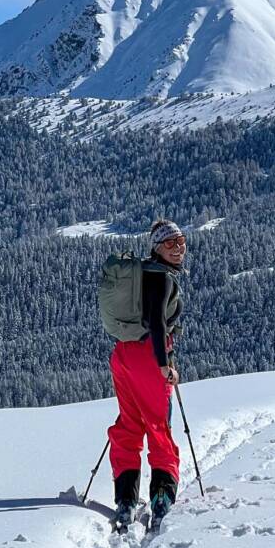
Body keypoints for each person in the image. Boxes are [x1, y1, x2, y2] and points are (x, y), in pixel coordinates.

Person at [107, 218, 185, 530]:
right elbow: (156, 322)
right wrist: (164, 364)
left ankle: (125, 500)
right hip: (149, 359)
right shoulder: (161, 278)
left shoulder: (140, 273)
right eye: (170, 243)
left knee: (129, 425)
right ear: (157, 248)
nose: (178, 249)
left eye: (181, 241)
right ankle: (161, 498)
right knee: (157, 426)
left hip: (123, 354)